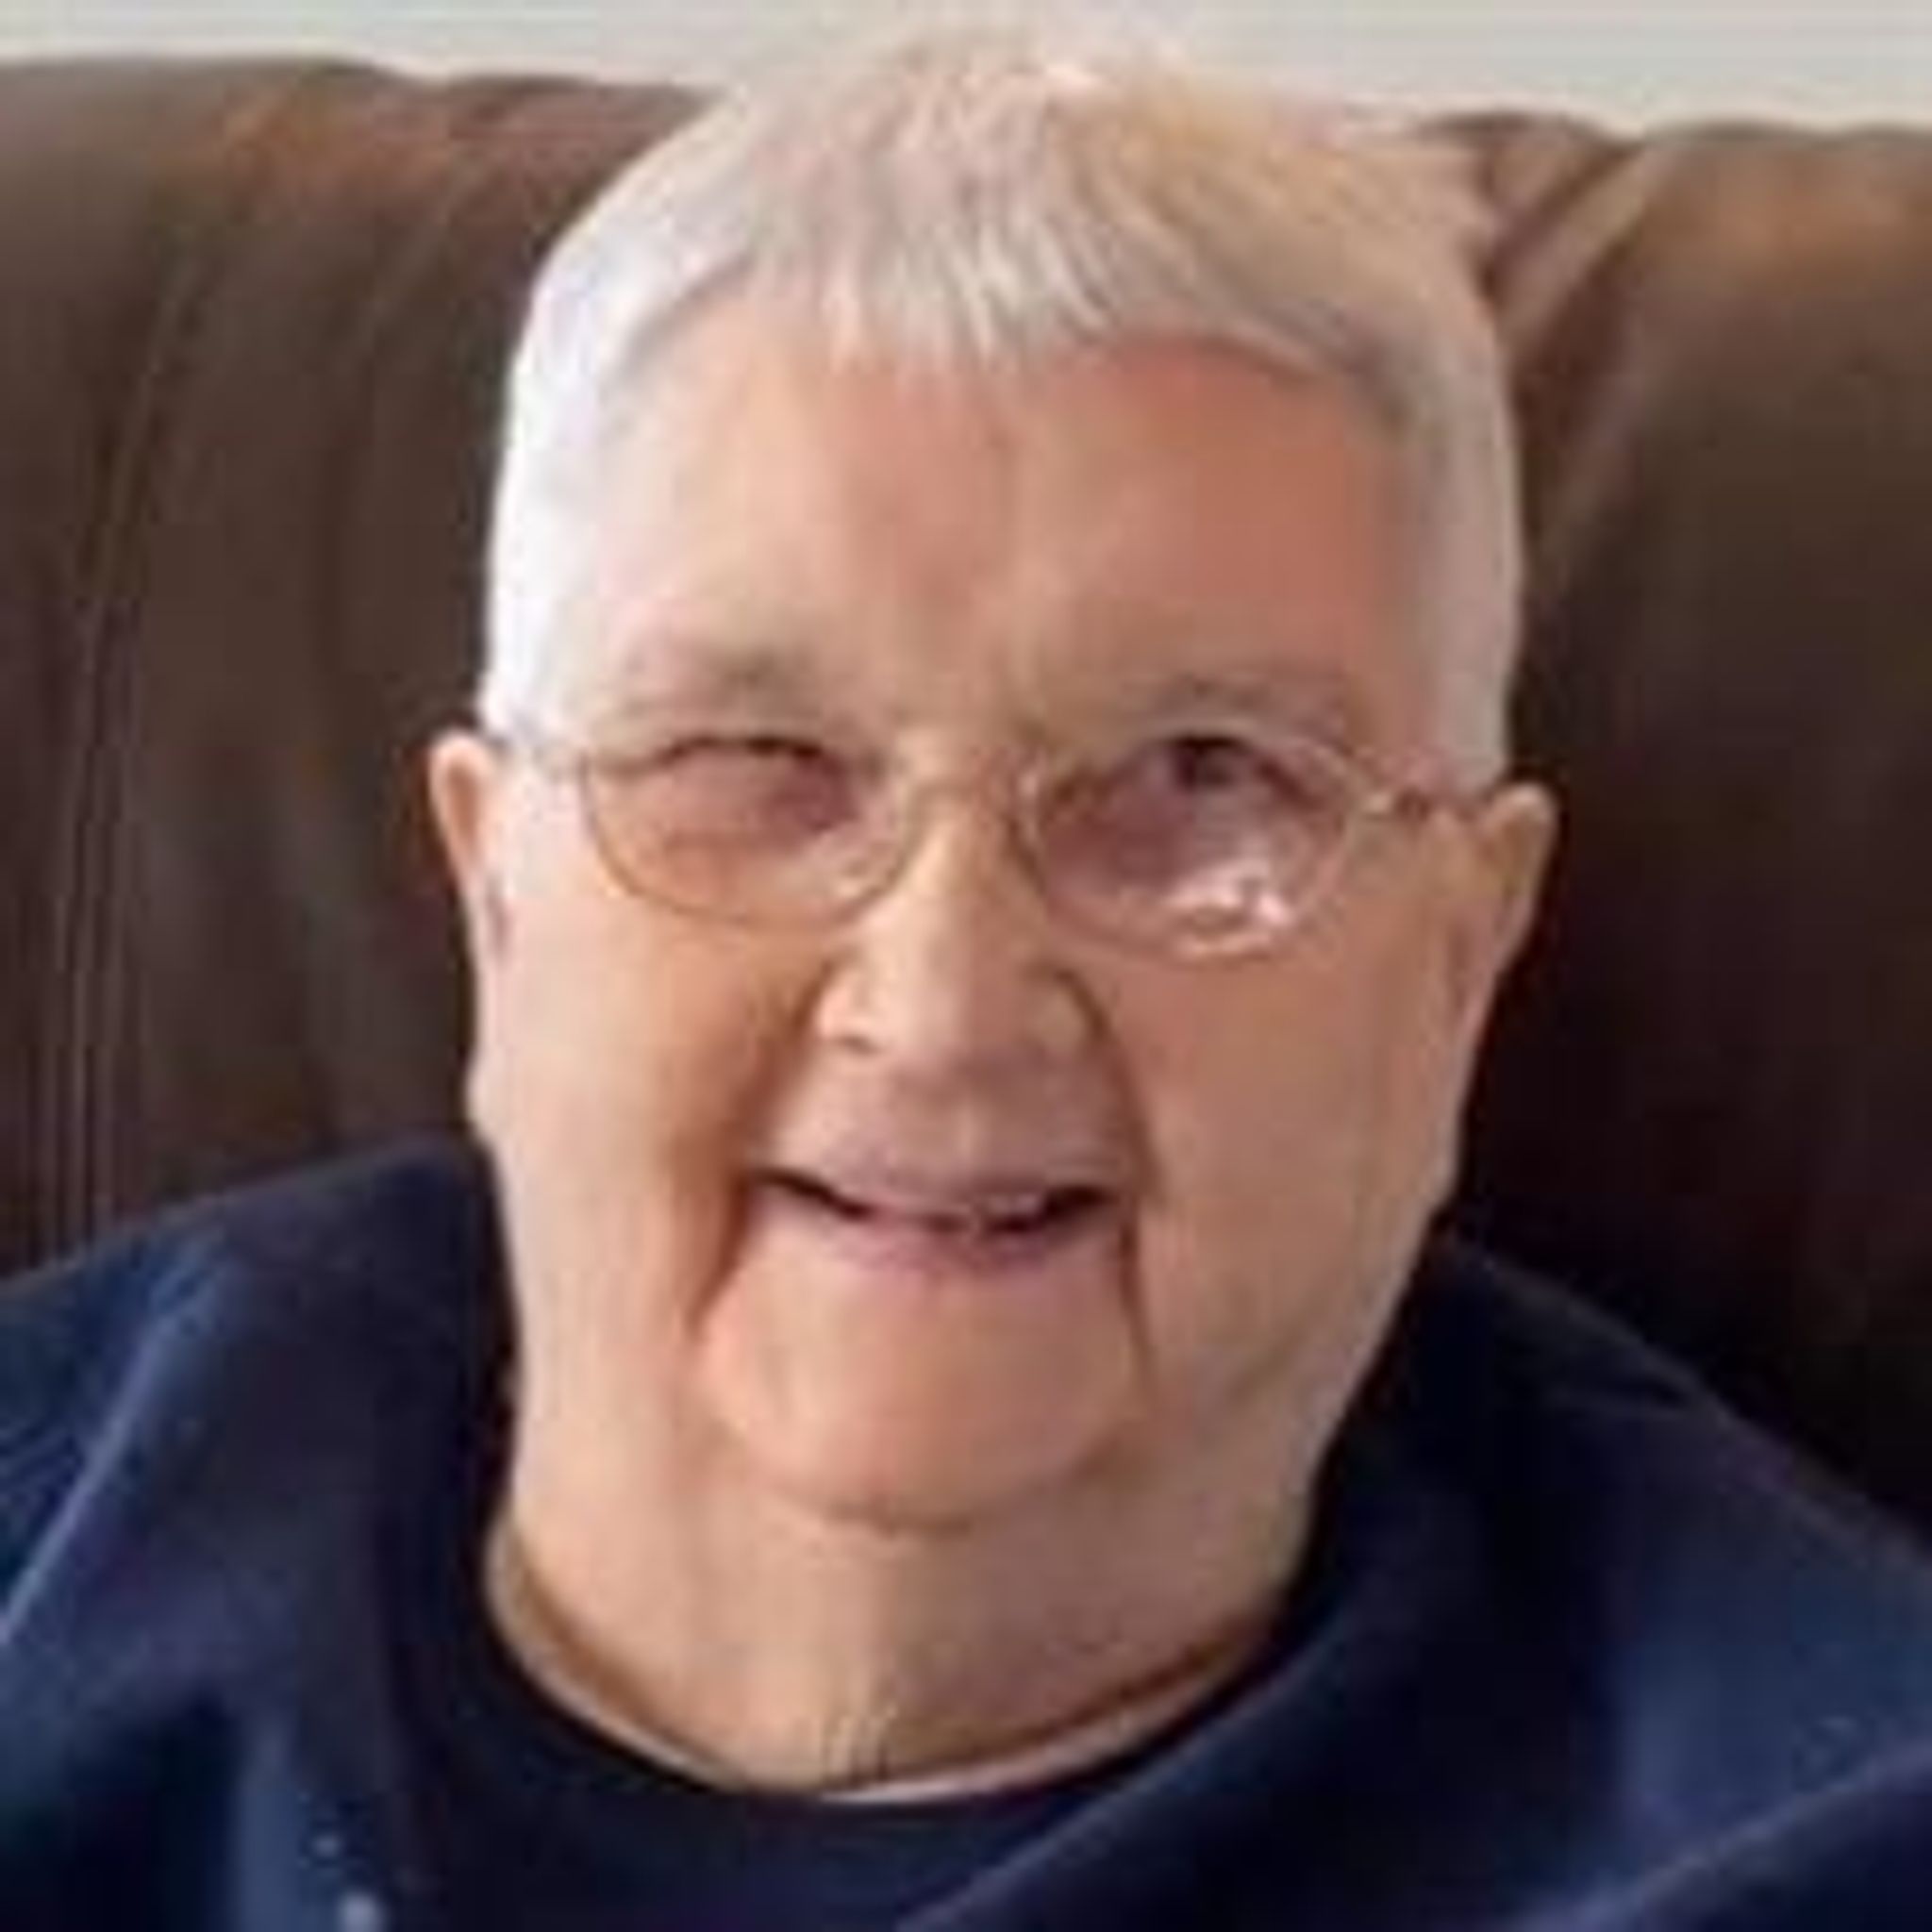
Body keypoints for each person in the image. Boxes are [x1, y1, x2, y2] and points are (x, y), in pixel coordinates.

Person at [4, 31, 1932, 1932]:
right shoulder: (70, 1486)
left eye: (1201, 778)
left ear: (1457, 956)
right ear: (493, 892)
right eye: (758, 759)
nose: (943, 1006)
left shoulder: (1825, 1843)